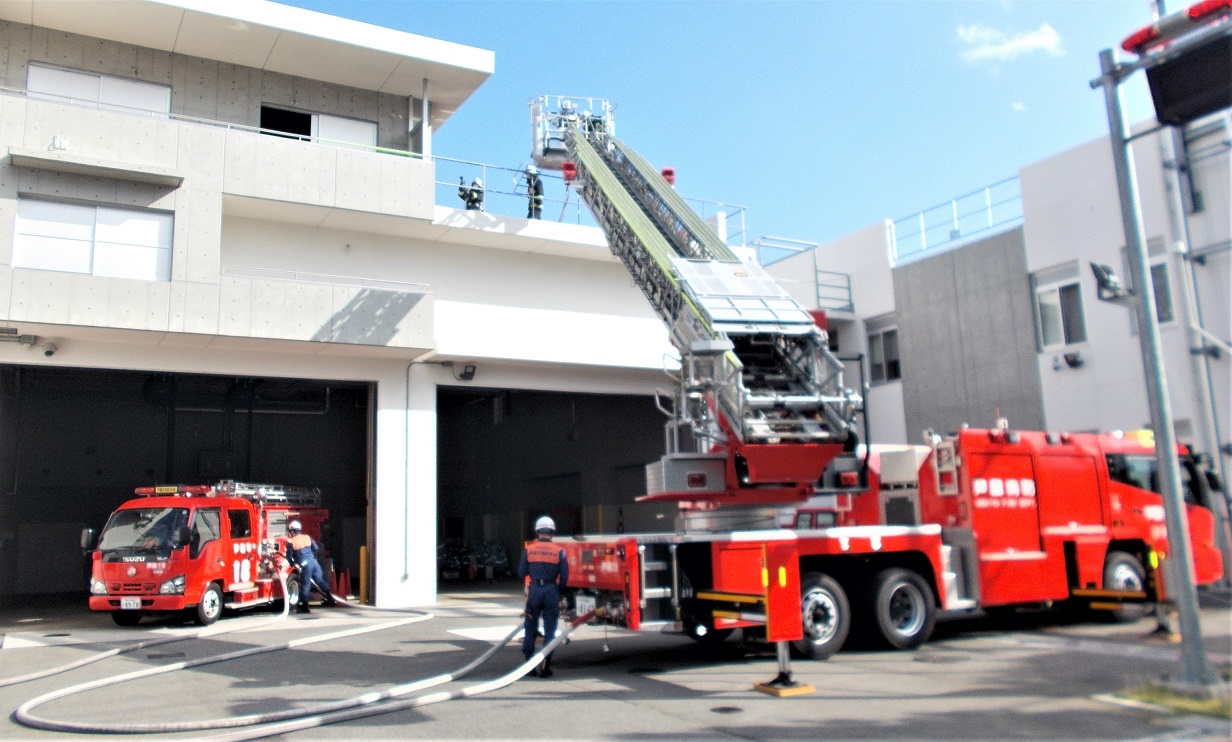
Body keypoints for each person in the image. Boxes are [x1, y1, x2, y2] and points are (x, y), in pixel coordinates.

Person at [518, 515, 568, 678]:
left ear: (537, 531)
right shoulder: (559, 551)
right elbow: (565, 576)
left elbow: (521, 572)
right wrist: (558, 591)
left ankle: (528, 665)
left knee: (530, 627)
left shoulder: (529, 550)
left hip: (535, 591)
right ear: (552, 532)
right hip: (551, 590)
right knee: (550, 629)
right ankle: (545, 666)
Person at [285, 519, 335, 613]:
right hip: (314, 562)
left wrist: (294, 564)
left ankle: (305, 607)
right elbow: (316, 548)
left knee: (305, 584)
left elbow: (289, 557)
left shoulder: (291, 542)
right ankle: (330, 599)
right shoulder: (307, 537)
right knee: (320, 581)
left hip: (305, 565)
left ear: (291, 531)